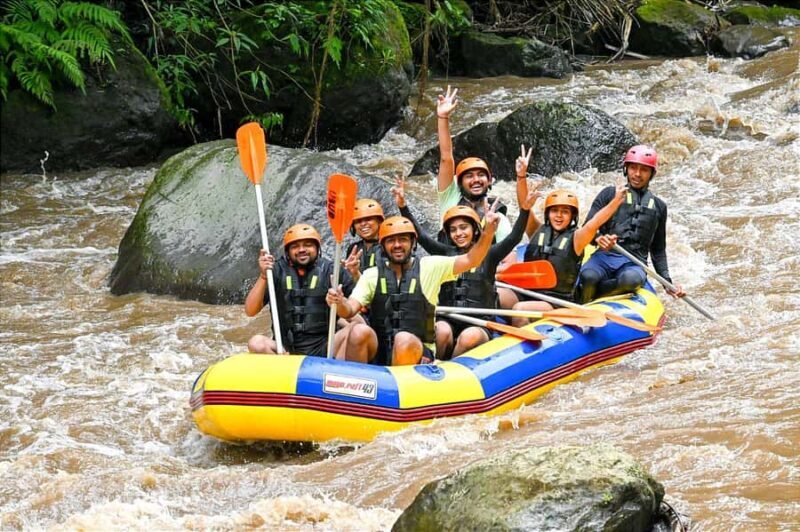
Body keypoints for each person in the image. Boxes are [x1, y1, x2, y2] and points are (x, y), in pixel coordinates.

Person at [393, 146, 538, 358]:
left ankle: (452, 368)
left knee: (469, 337)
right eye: (453, 230)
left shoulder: (491, 253)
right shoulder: (444, 253)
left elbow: (515, 237)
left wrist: (525, 209)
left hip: (478, 322)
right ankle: (434, 367)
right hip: (449, 317)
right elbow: (420, 236)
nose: (459, 233)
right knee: (441, 332)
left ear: (474, 229)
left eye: (464, 228)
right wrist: (403, 206)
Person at [325, 211, 499, 366]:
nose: (397, 245)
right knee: (358, 330)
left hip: (418, 351)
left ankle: (401, 392)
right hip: (382, 352)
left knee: (403, 339)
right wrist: (339, 302)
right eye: (391, 241)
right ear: (383, 246)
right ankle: (355, 389)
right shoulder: (372, 275)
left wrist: (487, 233)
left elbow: (471, 260)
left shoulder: (431, 266)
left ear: (413, 242)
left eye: (403, 239)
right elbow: (348, 311)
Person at [510, 179, 627, 327]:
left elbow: (595, 222)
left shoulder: (577, 239)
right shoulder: (536, 230)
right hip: (527, 293)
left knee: (519, 310)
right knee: (499, 295)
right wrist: (521, 177)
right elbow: (524, 205)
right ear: (547, 213)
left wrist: (616, 201)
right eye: (554, 211)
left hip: (554, 302)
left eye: (565, 212)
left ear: (572, 216)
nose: (559, 216)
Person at [576, 144, 685, 303]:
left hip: (634, 263)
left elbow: (658, 249)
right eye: (633, 168)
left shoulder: (659, 207)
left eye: (644, 170)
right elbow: (587, 228)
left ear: (652, 174)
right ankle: (585, 297)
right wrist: (598, 238)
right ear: (626, 169)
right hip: (603, 257)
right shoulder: (608, 194)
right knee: (588, 276)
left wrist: (666, 281)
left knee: (630, 280)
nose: (638, 174)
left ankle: (590, 295)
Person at [245, 223, 355, 357]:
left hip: (325, 347)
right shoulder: (276, 271)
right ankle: (284, 370)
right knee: (256, 343)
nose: (301, 250)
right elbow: (250, 311)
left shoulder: (333, 270)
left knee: (355, 329)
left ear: (317, 247)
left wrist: (340, 302)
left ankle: (336, 371)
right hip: (286, 350)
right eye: (295, 246)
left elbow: (356, 310)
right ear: (287, 251)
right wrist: (263, 276)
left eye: (308, 245)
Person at [435, 85, 525, 242]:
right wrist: (443, 118)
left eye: (481, 175)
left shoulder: (498, 218)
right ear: (459, 182)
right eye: (469, 176)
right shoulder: (450, 197)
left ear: (490, 181)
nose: (476, 180)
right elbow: (446, 157)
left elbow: (508, 259)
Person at [343, 198, 385, 281]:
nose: (363, 224)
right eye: (358, 221)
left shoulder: (388, 247)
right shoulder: (354, 248)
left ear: (379, 221)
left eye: (368, 219)